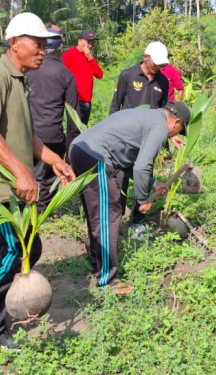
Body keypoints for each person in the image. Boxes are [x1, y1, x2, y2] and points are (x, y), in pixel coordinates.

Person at [0, 12, 75, 349]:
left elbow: (26, 135)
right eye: (37, 44)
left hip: (12, 187)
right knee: (15, 250)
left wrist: (53, 161)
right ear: (14, 43)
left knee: (10, 255)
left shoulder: (21, 79)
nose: (43, 50)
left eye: (45, 44)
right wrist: (22, 171)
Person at [68, 102, 191, 292]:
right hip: (95, 155)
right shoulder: (159, 126)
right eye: (179, 131)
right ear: (176, 122)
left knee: (100, 213)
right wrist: (143, 200)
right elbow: (142, 166)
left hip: (81, 150)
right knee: (109, 212)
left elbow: (128, 164)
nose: (174, 135)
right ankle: (107, 281)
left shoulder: (146, 117)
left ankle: (97, 263)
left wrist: (152, 183)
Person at [109, 41, 171, 228]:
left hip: (148, 140)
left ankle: (137, 220)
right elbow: (115, 105)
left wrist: (168, 138)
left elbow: (164, 113)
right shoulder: (127, 75)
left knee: (144, 178)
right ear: (145, 57)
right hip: (125, 139)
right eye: (156, 63)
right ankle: (115, 218)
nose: (158, 67)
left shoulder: (163, 81)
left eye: (161, 64)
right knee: (120, 180)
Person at [26, 26, 81, 214]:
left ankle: (27, 211)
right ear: (61, 48)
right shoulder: (65, 74)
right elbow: (73, 115)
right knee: (49, 178)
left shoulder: (26, 69)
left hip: (27, 132)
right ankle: (42, 212)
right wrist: (72, 142)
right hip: (52, 135)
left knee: (26, 172)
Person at [62, 30, 104, 125]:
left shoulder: (89, 57)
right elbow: (61, 75)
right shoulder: (69, 55)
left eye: (92, 43)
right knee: (74, 131)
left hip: (87, 101)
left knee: (83, 131)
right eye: (88, 42)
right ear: (79, 41)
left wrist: (90, 57)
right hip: (74, 101)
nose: (90, 46)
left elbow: (99, 75)